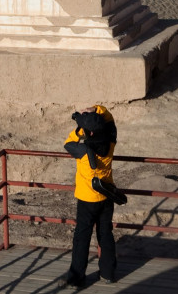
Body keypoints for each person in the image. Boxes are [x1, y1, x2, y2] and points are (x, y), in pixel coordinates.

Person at [62, 105, 127, 286]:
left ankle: (76, 278)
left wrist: (80, 127)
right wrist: (97, 109)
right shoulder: (111, 142)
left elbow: (67, 143)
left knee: (82, 238)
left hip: (87, 199)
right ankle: (107, 274)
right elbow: (110, 120)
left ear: (88, 133)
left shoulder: (83, 151)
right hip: (106, 196)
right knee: (105, 234)